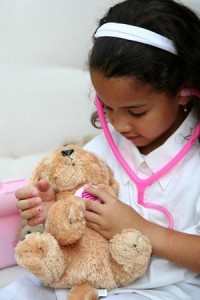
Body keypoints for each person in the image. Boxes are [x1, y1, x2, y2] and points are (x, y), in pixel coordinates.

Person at [1, 0, 200, 299]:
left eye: (136, 111)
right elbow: (79, 209)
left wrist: (141, 228)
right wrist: (54, 208)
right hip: (83, 280)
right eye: (107, 108)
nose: (120, 125)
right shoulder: (101, 151)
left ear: (184, 92)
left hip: (167, 289)